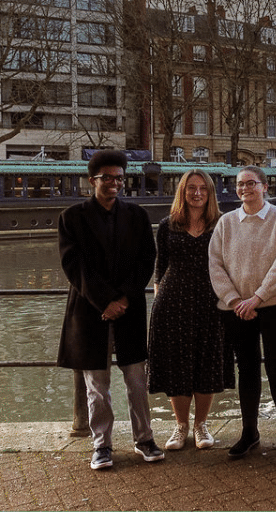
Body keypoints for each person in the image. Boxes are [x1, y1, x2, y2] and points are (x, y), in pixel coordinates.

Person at [57, 150, 163, 470]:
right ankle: (101, 445)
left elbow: (147, 259)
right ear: (93, 181)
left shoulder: (138, 216)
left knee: (136, 380)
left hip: (129, 309)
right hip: (90, 310)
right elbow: (74, 267)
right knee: (97, 385)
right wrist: (106, 301)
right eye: (107, 178)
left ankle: (144, 438)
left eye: (119, 177)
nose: (114, 183)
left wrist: (125, 299)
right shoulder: (71, 217)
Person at [209, 166, 276, 458]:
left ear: (264, 187)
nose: (245, 188)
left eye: (251, 183)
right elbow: (215, 264)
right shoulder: (225, 223)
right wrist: (236, 301)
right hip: (236, 309)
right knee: (246, 369)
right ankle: (250, 432)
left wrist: (257, 298)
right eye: (240, 184)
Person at [148, 170, 233, 451]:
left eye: (203, 189)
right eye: (191, 188)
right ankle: (181, 425)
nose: (197, 194)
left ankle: (201, 425)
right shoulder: (168, 224)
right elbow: (160, 269)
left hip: (211, 302)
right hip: (174, 303)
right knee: (177, 364)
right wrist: (160, 301)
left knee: (206, 362)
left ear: (210, 193)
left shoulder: (221, 224)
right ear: (182, 192)